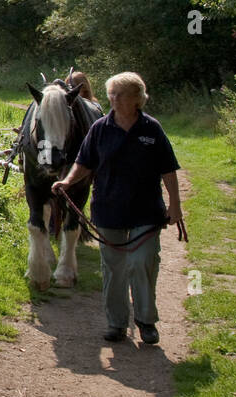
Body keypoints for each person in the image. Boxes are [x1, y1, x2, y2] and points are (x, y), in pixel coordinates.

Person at [51, 72, 182, 344]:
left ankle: (146, 321)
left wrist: (176, 206)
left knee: (142, 262)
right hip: (109, 209)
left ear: (137, 99)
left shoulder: (152, 129)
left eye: (120, 94)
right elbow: (84, 161)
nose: (113, 98)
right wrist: (67, 180)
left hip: (146, 210)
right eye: (111, 93)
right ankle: (116, 323)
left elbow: (168, 169)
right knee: (113, 268)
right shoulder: (100, 128)